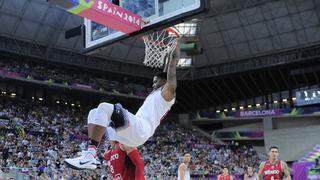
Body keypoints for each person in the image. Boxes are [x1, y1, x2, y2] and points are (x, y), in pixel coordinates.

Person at [65, 39, 180, 170]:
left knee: (105, 106)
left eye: (155, 82)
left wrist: (175, 53)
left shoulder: (167, 95)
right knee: (94, 112)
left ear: (164, 82)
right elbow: (166, 71)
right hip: (131, 135)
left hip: (141, 129)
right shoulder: (157, 93)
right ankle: (91, 155)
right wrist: (168, 53)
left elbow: (171, 71)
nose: (153, 84)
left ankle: (90, 155)